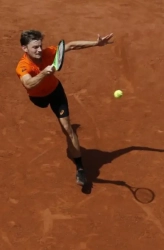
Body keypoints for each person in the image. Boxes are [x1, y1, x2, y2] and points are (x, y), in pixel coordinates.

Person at [15, 30, 113, 186]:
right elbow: (28, 83)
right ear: (24, 49)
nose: (39, 50)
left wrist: (96, 43)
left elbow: (72, 46)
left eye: (40, 46)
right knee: (42, 104)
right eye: (35, 47)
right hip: (38, 98)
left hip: (55, 92)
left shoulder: (48, 53)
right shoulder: (22, 66)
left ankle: (80, 168)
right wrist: (44, 73)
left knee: (67, 129)